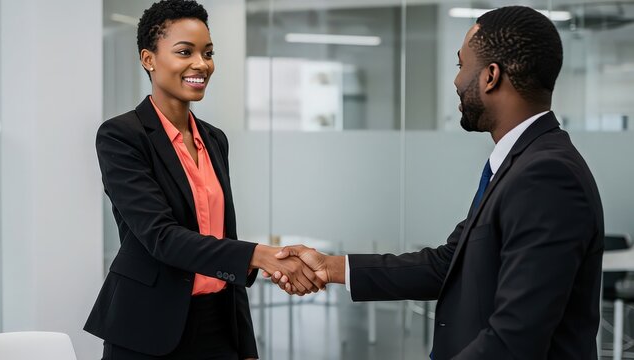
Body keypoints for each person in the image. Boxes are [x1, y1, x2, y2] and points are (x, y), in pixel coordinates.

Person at [267, 6, 604, 359]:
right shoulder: (523, 163)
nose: (457, 81)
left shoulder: (546, 176)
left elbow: (515, 338)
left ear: (490, 76)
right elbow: (448, 264)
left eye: (461, 65)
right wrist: (331, 266)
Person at [84, 1, 323, 359]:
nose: (201, 64)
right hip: (147, 326)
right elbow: (161, 237)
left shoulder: (214, 139)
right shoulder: (122, 136)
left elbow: (223, 240)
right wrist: (261, 256)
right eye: (185, 52)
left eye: (207, 53)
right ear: (148, 59)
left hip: (217, 322)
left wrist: (246, 345)